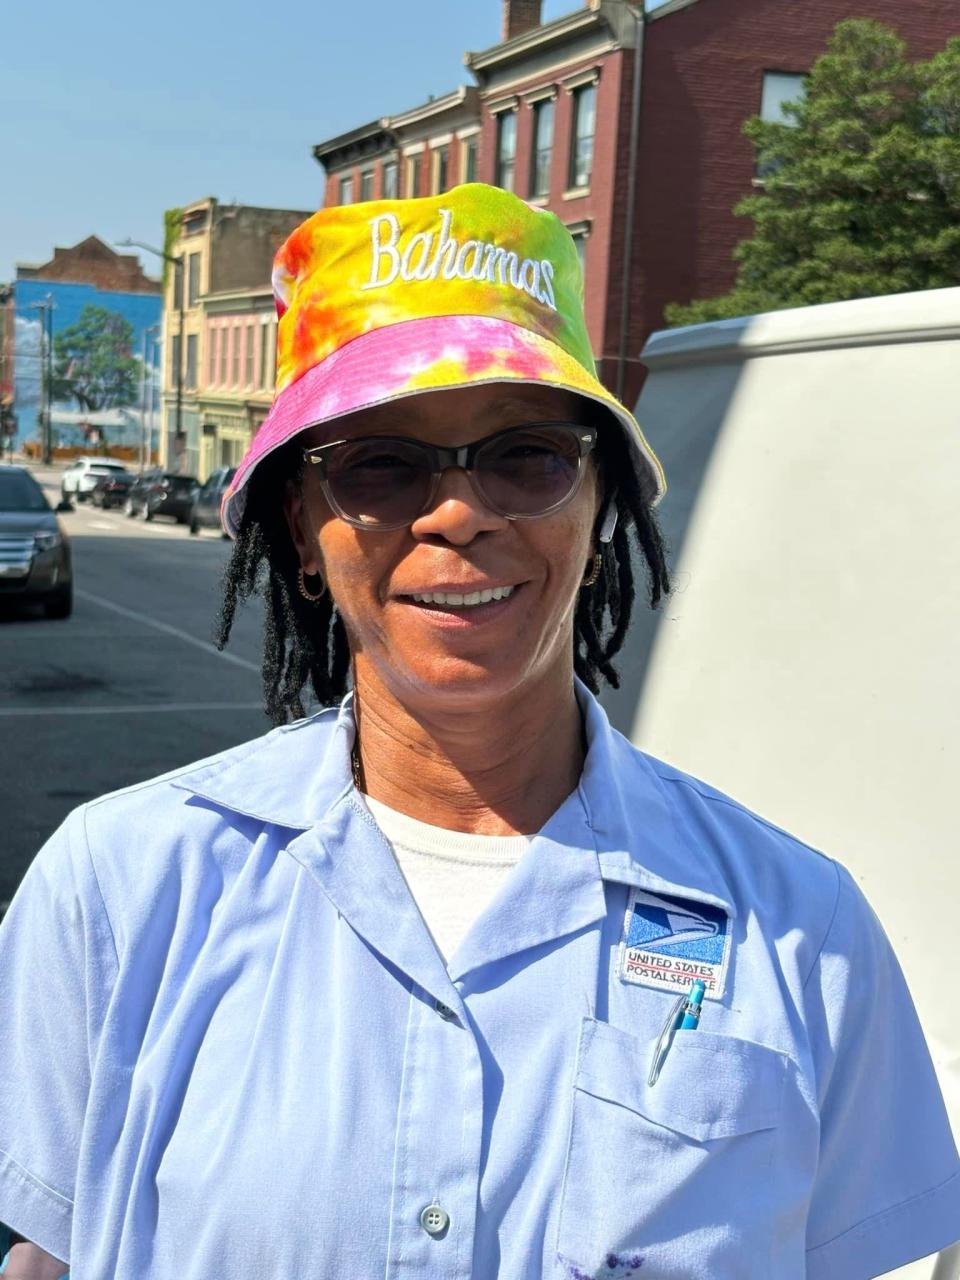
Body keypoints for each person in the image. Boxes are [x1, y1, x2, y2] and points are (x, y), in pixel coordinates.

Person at [0, 184, 957, 1280]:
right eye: (380, 464)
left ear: (600, 509)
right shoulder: (119, 890)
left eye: (527, 454)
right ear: (302, 535)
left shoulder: (800, 925)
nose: (459, 511)